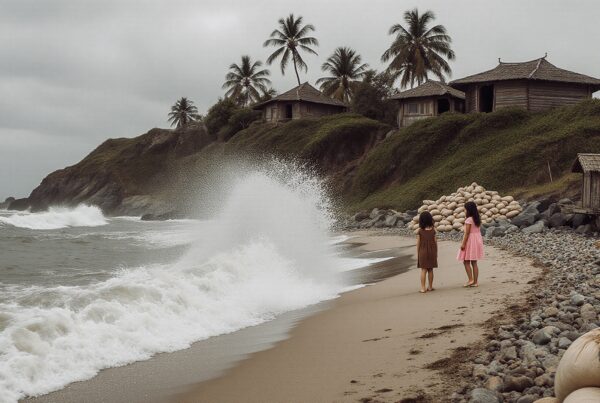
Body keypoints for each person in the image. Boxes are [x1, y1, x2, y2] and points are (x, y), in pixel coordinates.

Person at [457, 201, 484, 287]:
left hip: (470, 241)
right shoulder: (477, 219)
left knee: (466, 261)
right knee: (474, 262)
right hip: (477, 240)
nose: (464, 211)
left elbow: (467, 233)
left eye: (465, 209)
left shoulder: (469, 219)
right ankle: (475, 282)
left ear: (468, 210)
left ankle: (470, 280)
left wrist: (463, 244)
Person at [416, 211, 438, 293]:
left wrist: (418, 252)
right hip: (432, 251)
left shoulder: (420, 231)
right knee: (430, 270)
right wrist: (436, 252)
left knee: (423, 270)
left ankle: (422, 288)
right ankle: (430, 287)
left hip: (423, 252)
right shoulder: (433, 231)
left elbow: (418, 243)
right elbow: (435, 242)